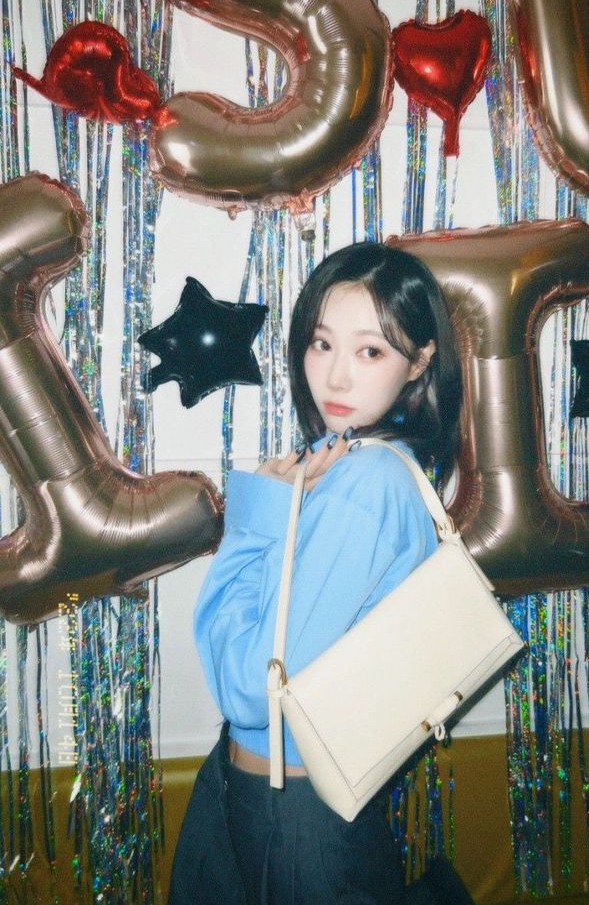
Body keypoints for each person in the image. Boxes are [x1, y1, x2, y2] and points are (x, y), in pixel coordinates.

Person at [169, 242, 473, 905]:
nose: (335, 378)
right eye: (322, 343)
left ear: (420, 361)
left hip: (292, 812)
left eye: (370, 352)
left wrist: (251, 524)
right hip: (269, 794)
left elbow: (248, 692)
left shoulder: (366, 483)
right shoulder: (346, 467)